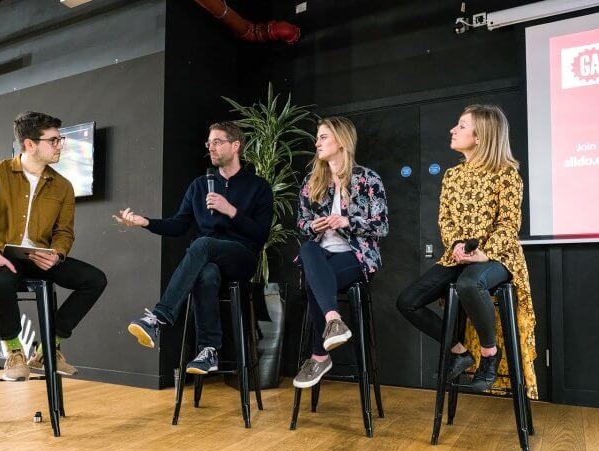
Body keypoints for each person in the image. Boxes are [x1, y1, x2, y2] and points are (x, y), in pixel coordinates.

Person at [396, 104, 537, 396]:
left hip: (498, 257)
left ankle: (489, 354)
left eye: (461, 126)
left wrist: (486, 253)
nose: (453, 130)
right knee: (408, 301)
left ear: (481, 135)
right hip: (459, 256)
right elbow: (445, 219)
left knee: (470, 284)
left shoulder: (506, 174)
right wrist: (457, 246)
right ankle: (459, 352)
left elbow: (509, 224)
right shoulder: (452, 175)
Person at [114, 121, 273, 375]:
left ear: (235, 146)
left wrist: (231, 210)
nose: (211, 147)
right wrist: (145, 222)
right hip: (208, 258)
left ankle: (159, 317)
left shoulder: (259, 187)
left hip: (242, 256)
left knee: (202, 244)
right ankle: (209, 351)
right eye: (209, 142)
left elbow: (261, 234)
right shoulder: (199, 185)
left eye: (217, 142)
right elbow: (179, 225)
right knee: (205, 273)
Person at [0, 111, 107, 381]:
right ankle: (14, 351)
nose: (59, 145)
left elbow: (64, 232)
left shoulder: (63, 186)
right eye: (53, 140)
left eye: (60, 140)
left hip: (36, 258)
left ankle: (47, 350)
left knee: (94, 280)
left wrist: (57, 254)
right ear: (30, 144)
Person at [292, 116, 388, 389]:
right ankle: (334, 320)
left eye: (323, 137)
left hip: (356, 256)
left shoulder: (367, 179)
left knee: (315, 281)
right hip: (321, 254)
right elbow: (301, 223)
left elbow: (381, 226)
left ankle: (319, 357)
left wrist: (348, 222)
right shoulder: (312, 181)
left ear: (341, 141)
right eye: (317, 138)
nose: (317, 143)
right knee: (308, 249)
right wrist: (313, 226)